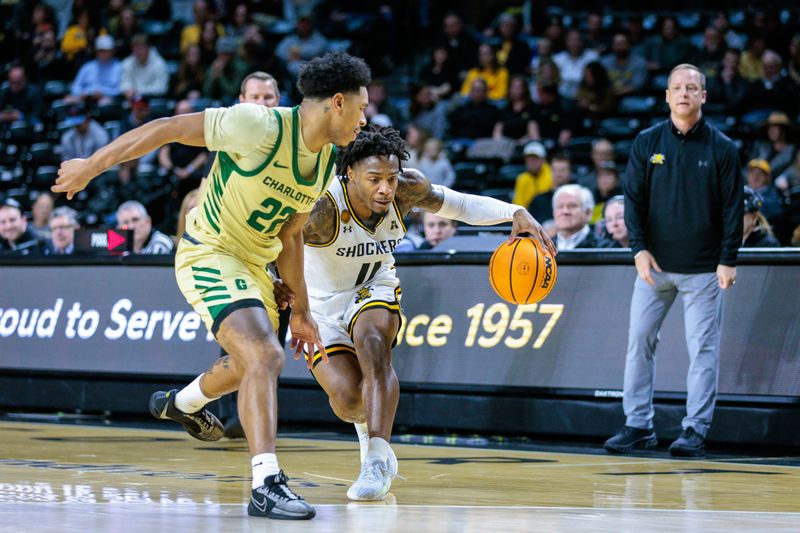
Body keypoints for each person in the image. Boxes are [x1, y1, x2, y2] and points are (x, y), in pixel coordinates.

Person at [51, 51, 372, 520]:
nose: (365, 119)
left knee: (249, 366)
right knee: (265, 355)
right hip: (209, 252)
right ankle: (266, 484)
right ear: (338, 103)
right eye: (362, 109)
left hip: (254, 265)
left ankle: (182, 403)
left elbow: (289, 234)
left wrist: (300, 309)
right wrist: (92, 166)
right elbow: (165, 128)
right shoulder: (258, 126)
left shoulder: (325, 163)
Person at [275, 127, 555, 501]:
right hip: (319, 306)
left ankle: (376, 458)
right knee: (348, 401)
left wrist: (514, 212)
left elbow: (459, 205)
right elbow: (276, 240)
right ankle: (366, 428)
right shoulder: (324, 209)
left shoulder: (406, 189)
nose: (384, 189)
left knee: (374, 344)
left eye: (390, 178)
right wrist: (272, 280)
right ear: (350, 175)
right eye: (374, 180)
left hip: (373, 285)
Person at [604, 64, 742, 458]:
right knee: (638, 343)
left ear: (703, 96)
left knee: (703, 350)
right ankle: (638, 426)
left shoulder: (723, 148)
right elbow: (633, 201)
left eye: (692, 88)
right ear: (667, 96)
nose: (684, 93)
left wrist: (728, 258)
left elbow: (733, 208)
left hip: (704, 270)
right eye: (677, 88)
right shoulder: (647, 142)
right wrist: (638, 249)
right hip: (655, 268)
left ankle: (695, 430)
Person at [552, 184, 599, 250]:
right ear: (553, 213)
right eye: (560, 206)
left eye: (572, 206)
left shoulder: (603, 247)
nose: (565, 211)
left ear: (588, 213)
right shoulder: (543, 247)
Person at [512, 141, 552, 207]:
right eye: (529, 158)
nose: (532, 161)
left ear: (543, 159)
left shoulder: (551, 174)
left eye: (535, 158)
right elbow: (518, 205)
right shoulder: (522, 179)